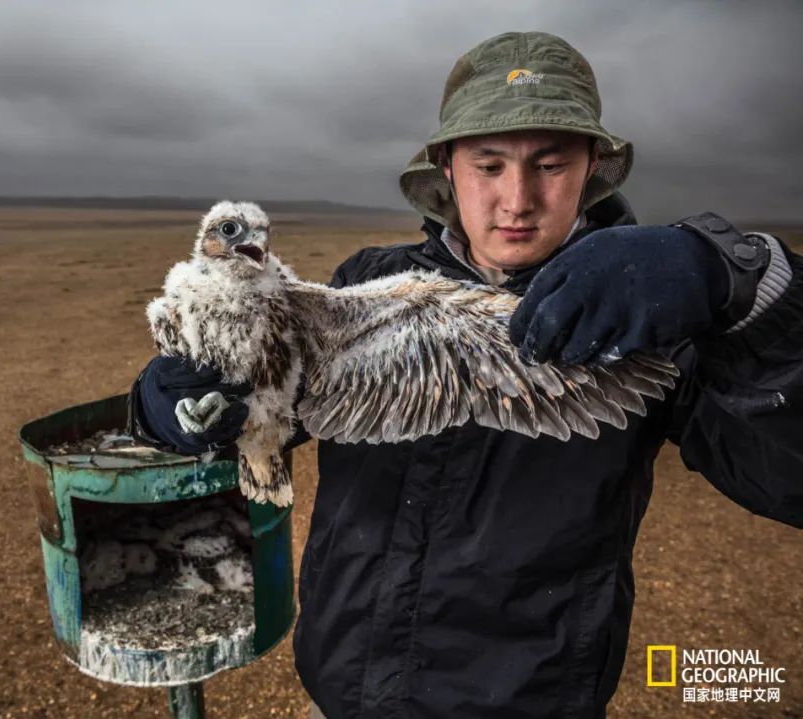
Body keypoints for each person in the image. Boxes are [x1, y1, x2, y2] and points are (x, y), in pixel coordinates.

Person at [129, 31, 803, 718]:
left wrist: (742, 289)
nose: (517, 201)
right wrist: (169, 406)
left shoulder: (647, 317)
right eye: (488, 165)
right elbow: (261, 415)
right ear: (447, 167)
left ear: (591, 166)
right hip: (343, 700)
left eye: (549, 165)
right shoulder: (367, 283)